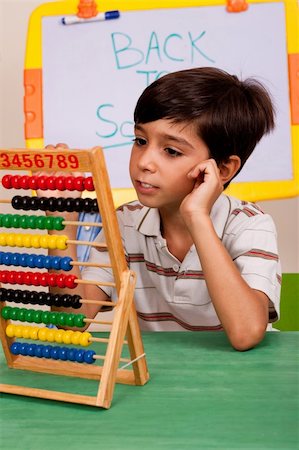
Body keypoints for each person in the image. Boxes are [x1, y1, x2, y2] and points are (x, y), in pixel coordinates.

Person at [46, 67, 281, 351]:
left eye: (171, 151)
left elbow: (246, 334)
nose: (145, 161)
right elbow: (71, 321)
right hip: (157, 378)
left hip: (239, 378)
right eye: (140, 141)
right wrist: (60, 223)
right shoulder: (125, 222)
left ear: (222, 169)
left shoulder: (249, 225)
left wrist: (197, 217)